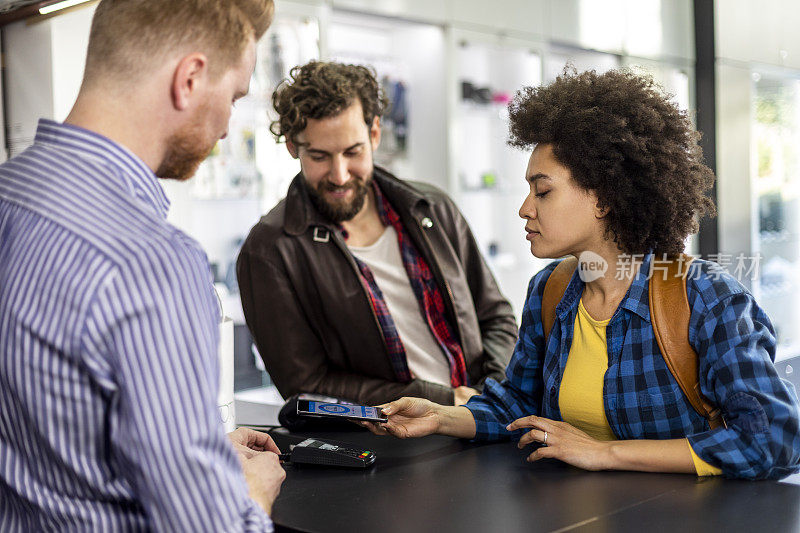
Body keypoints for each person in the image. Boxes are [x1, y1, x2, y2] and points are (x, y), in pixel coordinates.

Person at [365, 69, 800, 480]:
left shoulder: (705, 296)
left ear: (605, 197)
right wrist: (439, 416)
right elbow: (518, 403)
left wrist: (604, 453)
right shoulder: (550, 291)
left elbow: (775, 437)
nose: (525, 208)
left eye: (544, 191)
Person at [0, 1, 286, 530]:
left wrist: (188, 445)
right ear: (191, 79)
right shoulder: (152, 261)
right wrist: (248, 495)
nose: (227, 124)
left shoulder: (9, 194)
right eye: (234, 95)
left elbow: (48, 428)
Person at [237, 61, 517, 406]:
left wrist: (490, 394)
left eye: (352, 152)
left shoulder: (431, 207)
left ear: (374, 134)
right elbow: (304, 384)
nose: (339, 175)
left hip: (479, 419)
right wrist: (438, 400)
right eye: (320, 156)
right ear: (294, 147)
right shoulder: (270, 250)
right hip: (385, 445)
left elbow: (496, 317)